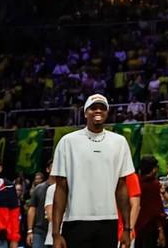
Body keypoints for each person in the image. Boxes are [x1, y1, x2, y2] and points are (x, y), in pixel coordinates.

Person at [51, 94, 134, 248]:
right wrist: (55, 233)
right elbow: (61, 188)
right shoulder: (68, 142)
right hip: (75, 220)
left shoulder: (119, 142)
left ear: (107, 112)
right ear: (85, 112)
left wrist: (127, 229)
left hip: (108, 220)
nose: (98, 111)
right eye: (93, 108)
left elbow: (122, 187)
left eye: (102, 108)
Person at [135, 157, 166, 248]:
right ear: (154, 169)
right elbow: (156, 211)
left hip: (137, 226)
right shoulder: (154, 185)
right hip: (150, 228)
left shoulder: (136, 182)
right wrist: (160, 230)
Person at [26, 160, 52, 248]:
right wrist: (29, 231)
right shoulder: (39, 188)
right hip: (39, 230)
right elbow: (32, 209)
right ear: (48, 169)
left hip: (57, 230)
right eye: (53, 166)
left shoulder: (64, 189)